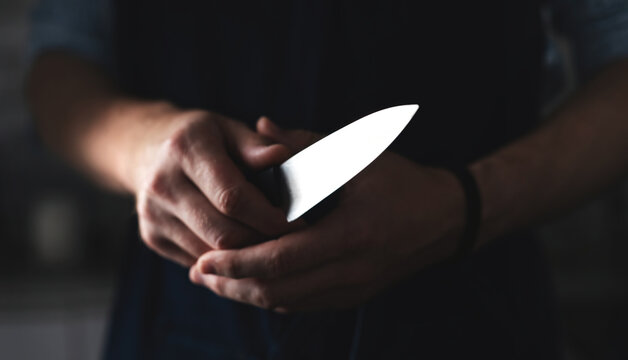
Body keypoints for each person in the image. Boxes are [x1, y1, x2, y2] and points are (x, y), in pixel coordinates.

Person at [27, 0, 628, 358]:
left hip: (469, 315)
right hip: (183, 323)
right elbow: (61, 60)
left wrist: (464, 205)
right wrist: (143, 144)